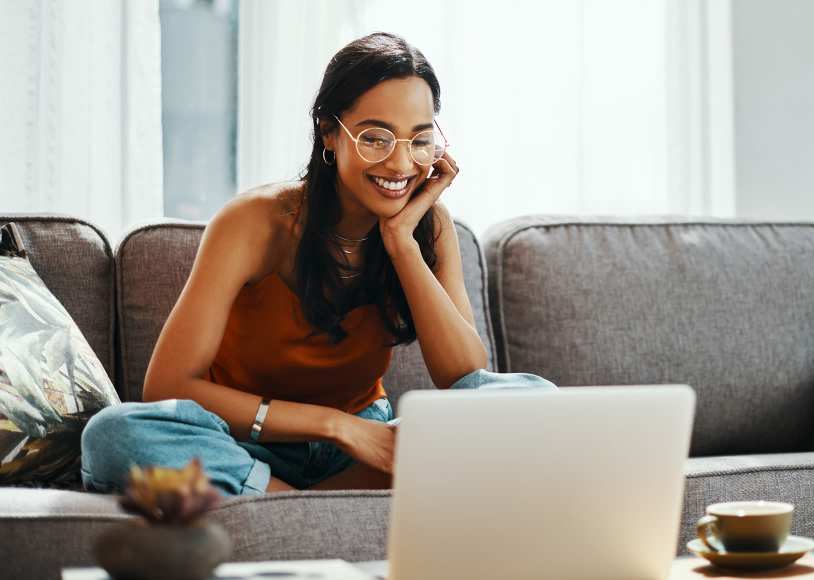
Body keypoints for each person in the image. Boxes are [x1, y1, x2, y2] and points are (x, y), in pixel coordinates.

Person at [80, 32, 556, 497]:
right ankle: (291, 500)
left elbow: (464, 373)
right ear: (329, 132)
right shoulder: (255, 222)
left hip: (366, 451)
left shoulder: (426, 226)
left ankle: (284, 500)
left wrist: (401, 243)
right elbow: (167, 383)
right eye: (376, 138)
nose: (400, 164)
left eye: (419, 140)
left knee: (531, 399)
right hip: (245, 442)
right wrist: (335, 425)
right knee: (112, 434)